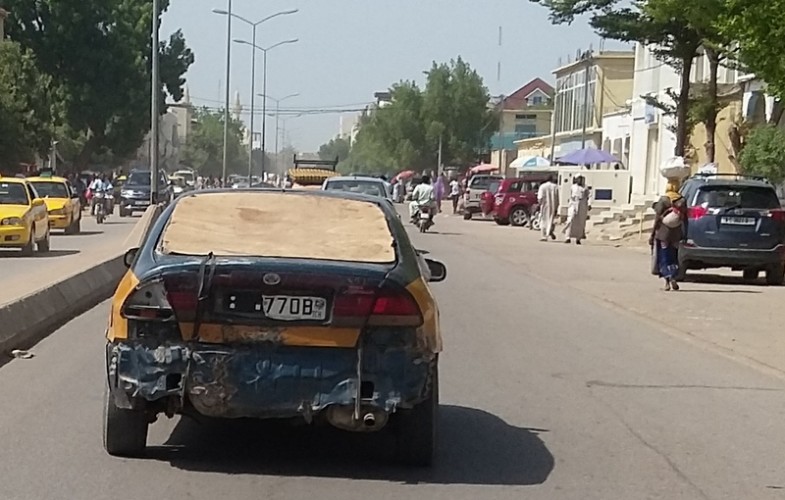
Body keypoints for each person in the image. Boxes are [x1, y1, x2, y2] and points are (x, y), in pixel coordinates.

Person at [649, 182, 687, 291]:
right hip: (676, 234)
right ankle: (674, 276)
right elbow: (685, 219)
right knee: (674, 256)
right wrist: (685, 233)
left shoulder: (664, 200)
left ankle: (667, 280)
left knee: (664, 256)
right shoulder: (682, 200)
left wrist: (652, 234)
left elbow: (657, 218)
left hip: (663, 234)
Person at [563, 176, 590, 244]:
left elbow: (589, 196)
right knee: (570, 219)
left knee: (580, 222)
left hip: (582, 204)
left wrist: (589, 204)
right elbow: (570, 195)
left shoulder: (585, 187)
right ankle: (567, 237)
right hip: (573, 203)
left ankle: (578, 238)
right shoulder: (573, 187)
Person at [537, 175, 560, 241]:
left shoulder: (542, 186)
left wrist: (539, 204)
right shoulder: (556, 187)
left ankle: (544, 236)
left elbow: (540, 198)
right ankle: (549, 231)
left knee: (544, 220)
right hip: (553, 206)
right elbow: (558, 198)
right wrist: (557, 207)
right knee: (551, 220)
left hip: (544, 206)